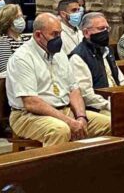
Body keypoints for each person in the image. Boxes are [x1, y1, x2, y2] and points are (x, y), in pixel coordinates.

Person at [6, 13, 111, 146]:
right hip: (28, 115)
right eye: (55, 35)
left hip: (65, 110)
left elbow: (74, 89)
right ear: (38, 35)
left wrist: (81, 116)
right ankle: (54, 167)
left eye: (60, 34)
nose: (59, 39)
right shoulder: (22, 58)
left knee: (109, 124)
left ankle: (91, 166)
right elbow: (31, 102)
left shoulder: (60, 54)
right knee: (60, 130)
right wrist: (69, 121)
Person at [69, 12, 124, 115]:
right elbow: (86, 94)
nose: (105, 32)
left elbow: (120, 78)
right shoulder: (78, 57)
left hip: (116, 100)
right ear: (86, 33)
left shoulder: (107, 50)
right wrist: (109, 105)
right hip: (97, 107)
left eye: (107, 29)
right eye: (101, 29)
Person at [0, 3, 30, 74]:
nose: (21, 20)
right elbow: (7, 70)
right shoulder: (1, 43)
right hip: (10, 81)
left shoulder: (27, 39)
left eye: (21, 16)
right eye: (17, 17)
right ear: (7, 22)